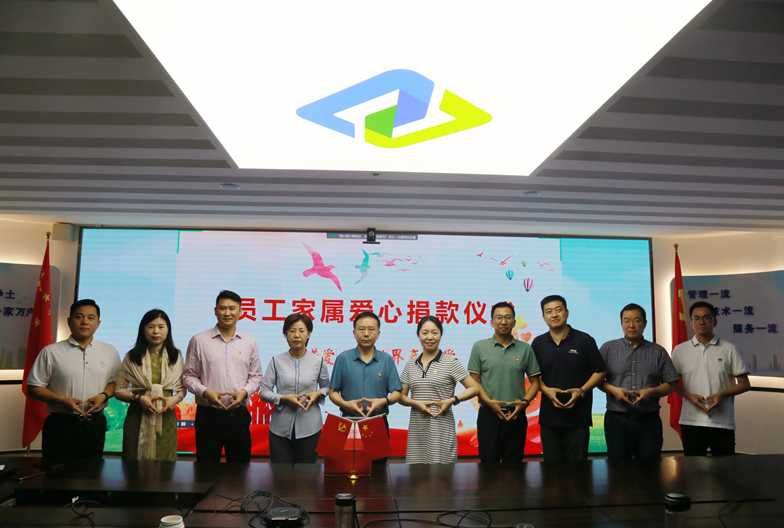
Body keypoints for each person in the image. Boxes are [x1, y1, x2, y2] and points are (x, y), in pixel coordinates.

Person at [27, 299, 122, 465]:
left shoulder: (110, 351)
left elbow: (115, 382)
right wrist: (61, 400)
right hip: (60, 425)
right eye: (79, 317)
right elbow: (33, 388)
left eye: (91, 318)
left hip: (95, 424)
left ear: (98, 323)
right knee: (55, 473)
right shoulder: (51, 352)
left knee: (92, 473)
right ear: (69, 321)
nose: (85, 321)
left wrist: (103, 396)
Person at [183, 290, 263, 463]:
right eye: (223, 308)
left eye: (232, 308)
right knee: (206, 470)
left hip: (238, 416)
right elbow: (188, 376)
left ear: (240, 311)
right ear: (215, 311)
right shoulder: (199, 340)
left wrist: (245, 392)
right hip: (208, 417)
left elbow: (256, 376)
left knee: (240, 470)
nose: (227, 313)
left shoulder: (249, 341)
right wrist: (205, 392)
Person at [598, 303, 679, 460]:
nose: (631, 325)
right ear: (621, 323)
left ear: (645, 323)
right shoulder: (608, 349)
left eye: (636, 320)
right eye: (626, 321)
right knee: (618, 468)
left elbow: (671, 385)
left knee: (650, 468)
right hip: (617, 420)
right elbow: (597, 380)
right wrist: (614, 390)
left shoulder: (658, 351)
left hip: (649, 420)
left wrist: (651, 392)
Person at [532, 295, 607, 462]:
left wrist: (582, 390)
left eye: (558, 310)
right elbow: (533, 375)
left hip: (578, 418)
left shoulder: (585, 340)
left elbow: (600, 371)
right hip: (549, 418)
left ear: (566, 312)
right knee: (551, 471)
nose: (554, 314)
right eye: (549, 311)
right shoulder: (538, 343)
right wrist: (546, 391)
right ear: (543, 317)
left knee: (578, 471)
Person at [671, 301, 750, 456]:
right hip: (691, 421)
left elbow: (745, 384)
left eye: (706, 317)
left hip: (722, 422)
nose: (701, 322)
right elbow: (671, 383)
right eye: (696, 318)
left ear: (714, 321)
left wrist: (721, 394)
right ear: (691, 323)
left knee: (725, 468)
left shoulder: (730, 349)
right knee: (692, 467)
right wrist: (688, 396)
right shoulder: (680, 350)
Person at [467, 301, 541, 463]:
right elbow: (473, 381)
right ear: (491, 322)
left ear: (514, 322)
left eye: (508, 318)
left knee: (514, 467)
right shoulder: (479, 347)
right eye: (499, 318)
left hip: (516, 414)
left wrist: (524, 403)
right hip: (488, 414)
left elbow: (535, 382)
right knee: (488, 465)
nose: (503, 322)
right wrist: (490, 402)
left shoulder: (525, 349)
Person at [400, 316, 480, 464]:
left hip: (442, 428)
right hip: (418, 430)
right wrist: (416, 403)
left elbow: (474, 388)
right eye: (425, 333)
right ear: (418, 335)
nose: (430, 337)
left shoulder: (451, 362)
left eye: (434, 332)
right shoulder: (411, 365)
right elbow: (401, 396)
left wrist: (453, 400)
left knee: (442, 474)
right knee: (416, 474)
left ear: (441, 335)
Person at [329, 311, 403, 463]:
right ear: (354, 333)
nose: (366, 334)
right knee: (347, 468)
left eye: (371, 329)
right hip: (348, 422)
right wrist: (344, 404)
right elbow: (333, 391)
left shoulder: (386, 360)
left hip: (378, 422)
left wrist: (384, 401)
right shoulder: (343, 359)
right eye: (361, 329)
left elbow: (397, 392)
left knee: (378, 470)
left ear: (378, 333)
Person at [115, 309, 185, 461]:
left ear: (168, 329)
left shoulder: (176, 356)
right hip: (137, 417)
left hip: (166, 418)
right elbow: (119, 391)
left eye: (161, 327)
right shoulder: (132, 357)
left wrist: (175, 398)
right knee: (134, 465)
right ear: (143, 329)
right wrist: (138, 399)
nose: (156, 331)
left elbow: (182, 388)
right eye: (151, 326)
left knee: (165, 465)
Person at [259, 313, 330, 463]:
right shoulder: (276, 361)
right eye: (292, 331)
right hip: (280, 429)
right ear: (286, 334)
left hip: (310, 428)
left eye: (301, 331)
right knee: (280, 474)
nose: (296, 335)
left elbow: (327, 387)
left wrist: (317, 394)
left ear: (308, 334)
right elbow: (264, 391)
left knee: (307, 474)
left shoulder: (318, 361)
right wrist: (283, 398)